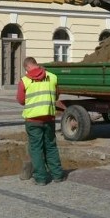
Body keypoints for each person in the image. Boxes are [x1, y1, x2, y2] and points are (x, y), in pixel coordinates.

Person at [16, 56, 65, 185]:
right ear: (36, 64)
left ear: (27, 67)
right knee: (51, 146)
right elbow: (57, 94)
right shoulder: (52, 77)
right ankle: (58, 175)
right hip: (49, 118)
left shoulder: (24, 81)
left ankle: (41, 178)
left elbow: (21, 100)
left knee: (36, 148)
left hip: (32, 120)